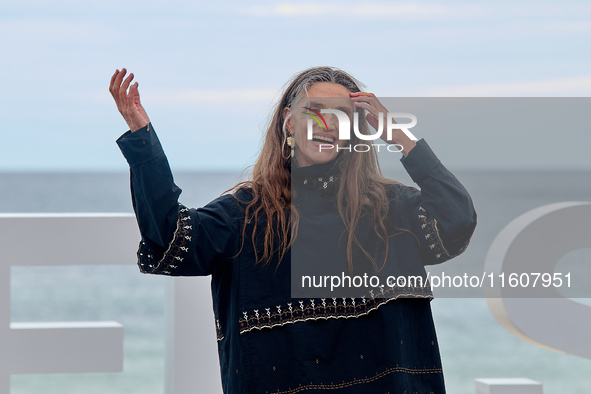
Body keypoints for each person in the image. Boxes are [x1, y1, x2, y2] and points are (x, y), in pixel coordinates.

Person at [110, 66, 477, 393]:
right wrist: (143, 142)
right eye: (315, 112)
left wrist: (400, 137)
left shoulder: (390, 208)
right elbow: (171, 238)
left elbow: (457, 221)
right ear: (289, 121)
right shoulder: (245, 214)